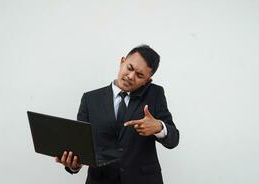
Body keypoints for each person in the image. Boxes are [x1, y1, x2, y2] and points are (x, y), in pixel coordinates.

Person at [55, 45, 179, 184]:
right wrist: (74, 166)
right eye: (130, 68)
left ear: (147, 81)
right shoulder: (90, 99)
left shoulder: (154, 94)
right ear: (122, 61)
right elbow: (81, 145)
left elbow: (174, 139)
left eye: (140, 75)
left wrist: (159, 127)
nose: (130, 76)